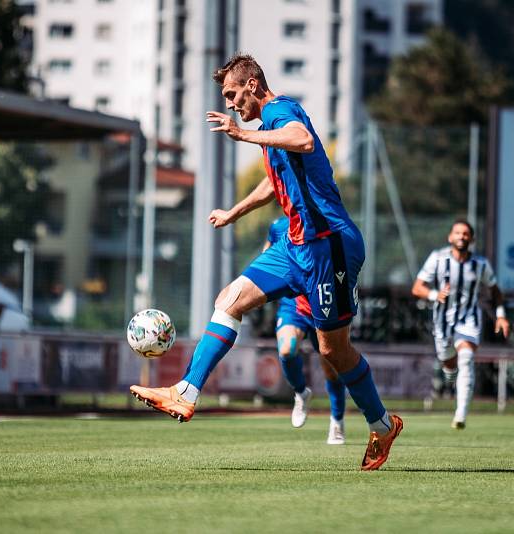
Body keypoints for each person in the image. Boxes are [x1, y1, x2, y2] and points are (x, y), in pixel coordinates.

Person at [131, 54, 402, 471]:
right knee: (229, 299)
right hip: (295, 246)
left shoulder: (280, 111)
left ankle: (382, 424)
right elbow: (273, 181)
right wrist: (235, 212)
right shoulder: (268, 128)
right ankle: (186, 392)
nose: (231, 103)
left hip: (329, 244)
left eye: (232, 94)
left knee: (333, 349)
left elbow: (303, 139)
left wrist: (241, 135)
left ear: (253, 85)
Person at [411, 219, 511, 429]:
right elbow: (417, 287)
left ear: (472, 239)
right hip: (442, 322)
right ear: (450, 237)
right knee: (449, 363)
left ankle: (461, 414)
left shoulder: (481, 264)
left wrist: (501, 315)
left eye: (466, 234)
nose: (461, 237)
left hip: (469, 319)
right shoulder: (437, 259)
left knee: (466, 357)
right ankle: (449, 376)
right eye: (457, 233)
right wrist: (434, 294)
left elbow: (495, 291)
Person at [264, 216, 348, 444]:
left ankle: (337, 422)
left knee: (331, 368)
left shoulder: (328, 222)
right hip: (293, 305)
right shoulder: (278, 226)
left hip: (323, 303)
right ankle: (301, 392)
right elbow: (267, 258)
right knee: (286, 350)